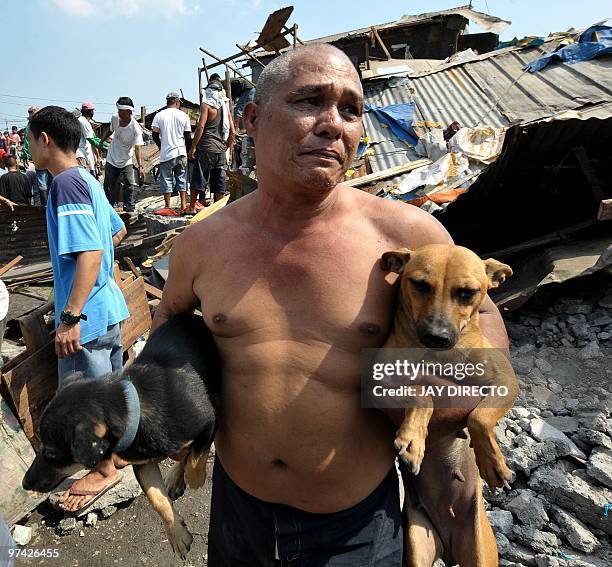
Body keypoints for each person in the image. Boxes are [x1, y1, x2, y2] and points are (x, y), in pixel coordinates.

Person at [151, 44, 510, 565]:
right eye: (310, 101)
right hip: (238, 512)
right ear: (252, 118)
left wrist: (458, 400)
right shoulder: (203, 242)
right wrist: (168, 402)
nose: (332, 124)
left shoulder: (406, 236)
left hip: (356, 526)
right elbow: (168, 317)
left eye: (351, 109)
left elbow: (484, 317)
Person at [28, 105, 130, 514]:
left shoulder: (64, 185)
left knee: (81, 407)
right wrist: (98, 278)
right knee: (112, 394)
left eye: (29, 139)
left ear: (45, 139)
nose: (27, 147)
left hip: (85, 320)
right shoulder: (88, 178)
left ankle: (103, 470)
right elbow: (115, 230)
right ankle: (119, 456)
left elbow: (89, 251)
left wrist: (69, 315)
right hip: (107, 308)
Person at [187, 77, 235, 214]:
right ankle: (218, 210)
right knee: (218, 181)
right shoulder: (225, 109)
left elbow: (201, 126)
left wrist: (193, 147)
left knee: (198, 178)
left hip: (206, 147)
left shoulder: (206, 106)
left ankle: (191, 208)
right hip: (219, 150)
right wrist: (226, 148)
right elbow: (233, 131)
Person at [99, 97, 145, 213]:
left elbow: (138, 147)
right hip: (112, 157)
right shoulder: (115, 118)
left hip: (126, 160)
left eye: (121, 111)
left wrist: (140, 166)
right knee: (109, 185)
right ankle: (109, 207)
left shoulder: (135, 128)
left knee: (129, 184)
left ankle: (129, 208)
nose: (118, 113)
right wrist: (101, 140)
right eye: (118, 110)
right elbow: (110, 130)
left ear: (129, 112)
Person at [151, 92, 192, 212]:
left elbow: (154, 134)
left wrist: (160, 145)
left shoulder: (159, 115)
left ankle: (167, 206)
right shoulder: (183, 115)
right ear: (177, 102)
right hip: (181, 152)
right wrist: (188, 151)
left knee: (166, 179)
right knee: (182, 178)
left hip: (166, 154)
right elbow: (188, 136)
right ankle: (184, 205)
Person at [22, 105, 51, 206]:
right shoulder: (31, 126)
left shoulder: (43, 123)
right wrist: (26, 156)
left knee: (45, 184)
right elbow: (27, 142)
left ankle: (47, 207)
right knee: (42, 184)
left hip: (47, 158)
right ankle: (46, 207)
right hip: (41, 159)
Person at [76, 101, 98, 176]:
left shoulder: (85, 122)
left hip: (86, 155)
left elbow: (94, 138)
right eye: (92, 111)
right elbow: (92, 140)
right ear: (90, 112)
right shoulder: (83, 121)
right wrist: (106, 147)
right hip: (81, 154)